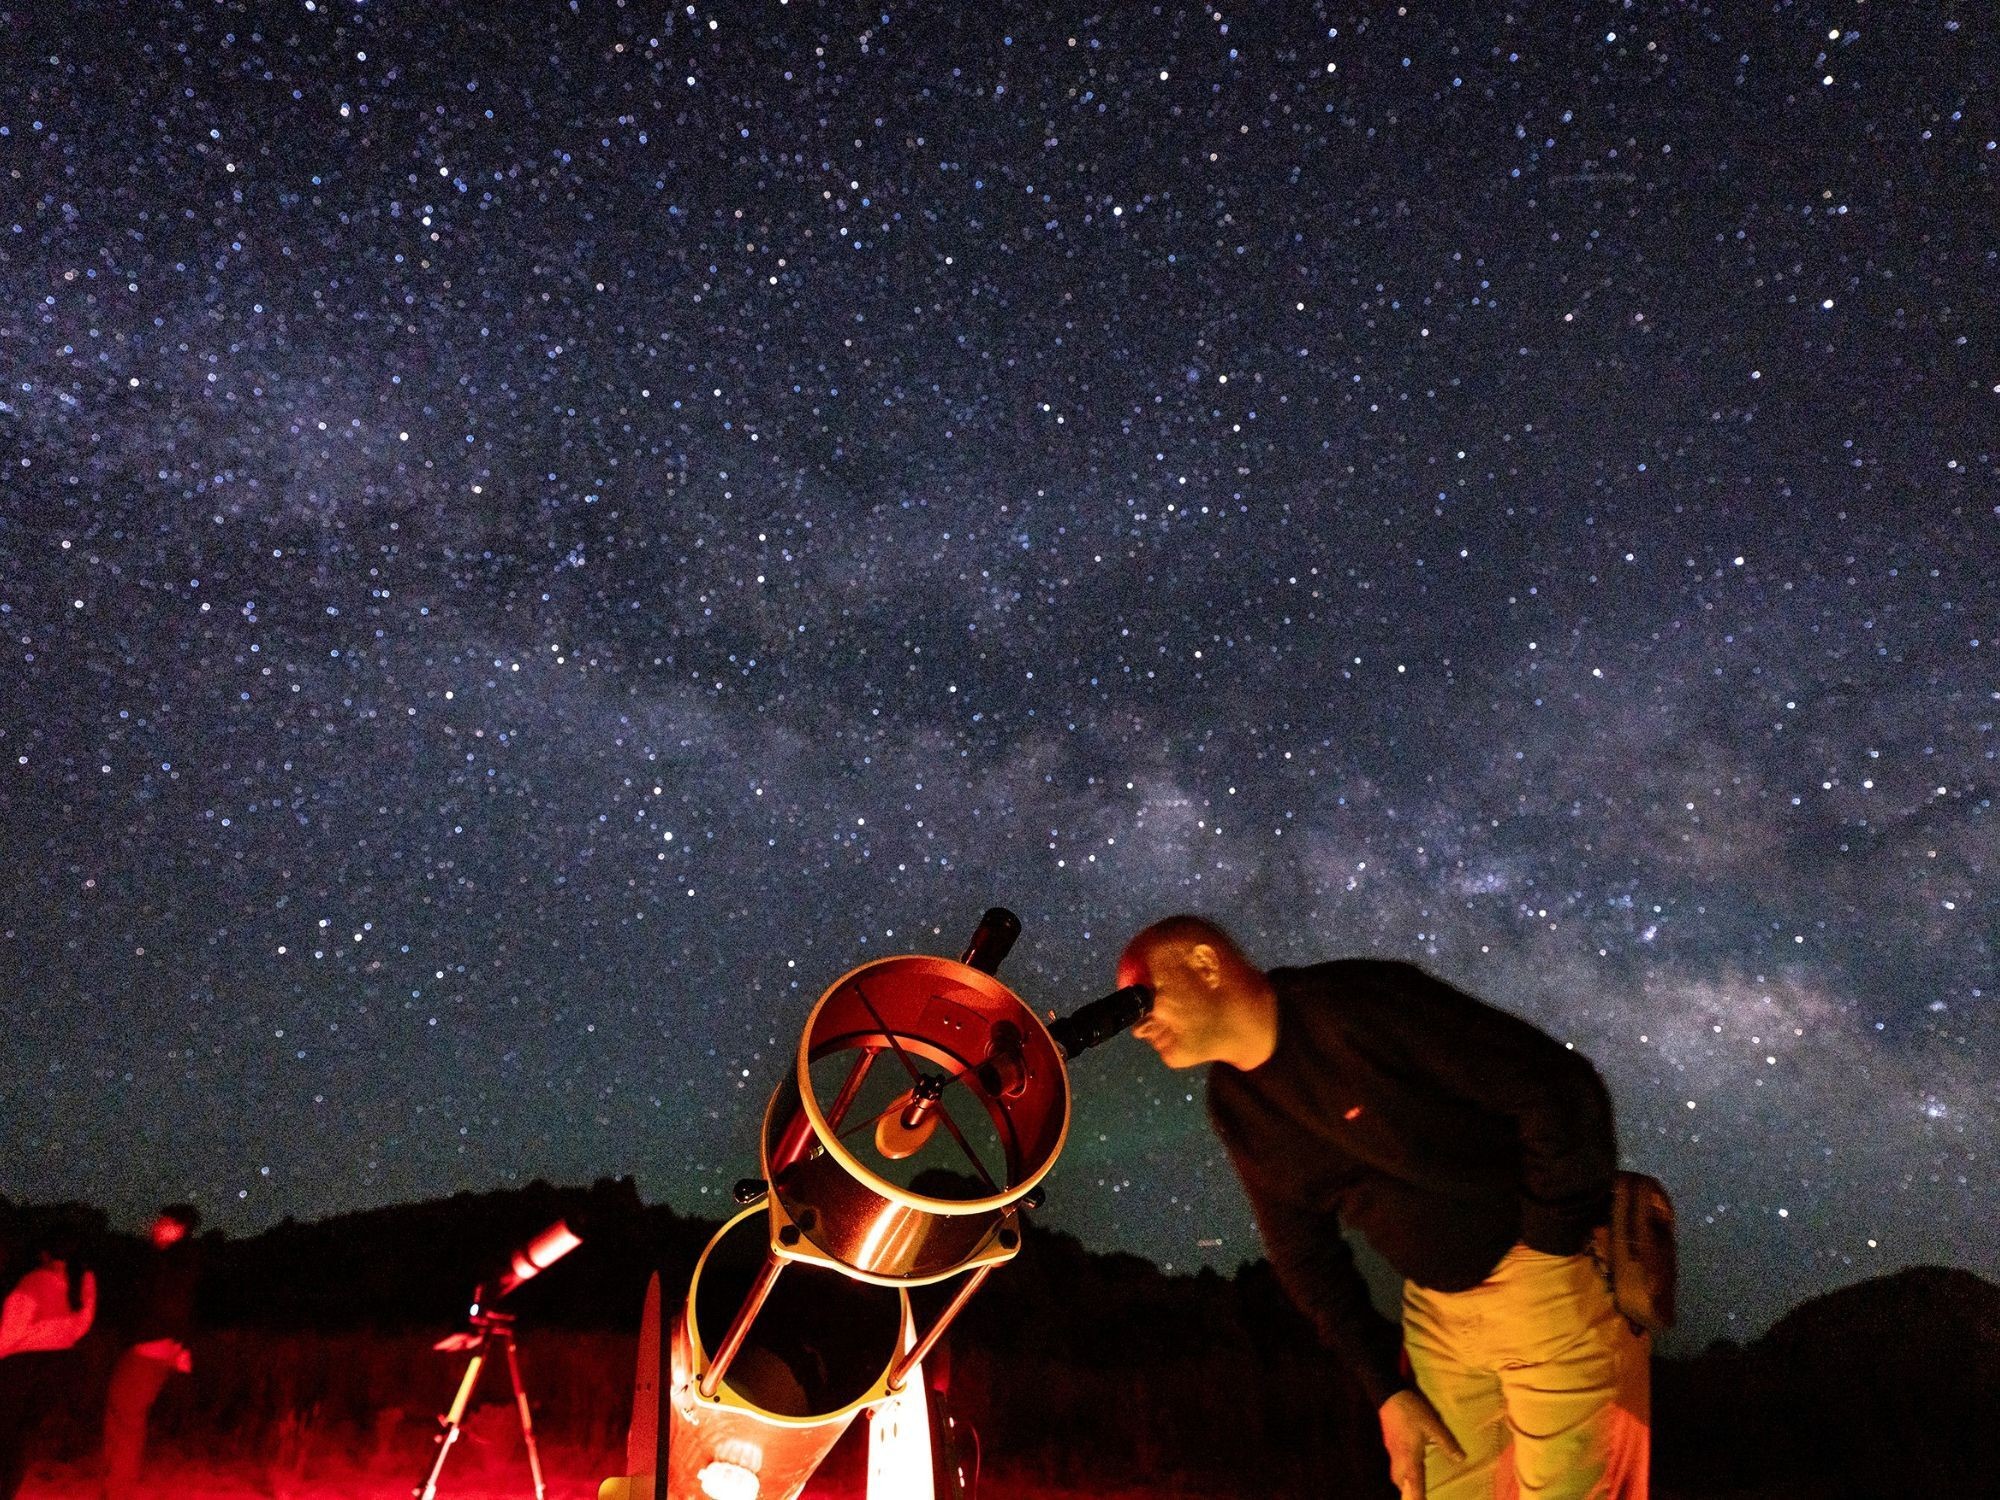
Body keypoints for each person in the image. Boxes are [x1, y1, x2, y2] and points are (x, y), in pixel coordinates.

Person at [1119, 915, 1648, 1500]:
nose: (1138, 1029)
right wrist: (1386, 1390)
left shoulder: (1356, 1007)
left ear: (1204, 964)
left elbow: (1557, 1087)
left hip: (1543, 1286)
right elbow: (1305, 1258)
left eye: (1143, 999)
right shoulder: (1238, 1105)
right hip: (1434, 1319)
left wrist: (1550, 1243)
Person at [100, 1204, 202, 1500]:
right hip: (158, 1351)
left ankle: (116, 1490)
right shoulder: (179, 1262)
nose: (156, 1225)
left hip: (147, 1351)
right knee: (127, 1419)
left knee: (125, 1420)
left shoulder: (171, 1264)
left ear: (179, 1228)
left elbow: (167, 1308)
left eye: (164, 1221)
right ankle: (117, 1486)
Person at [0, 1207, 100, 1500]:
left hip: (21, 1368)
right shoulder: (85, 1282)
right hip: (59, 1365)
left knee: (5, 1439)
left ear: (44, 1252)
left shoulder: (35, 1281)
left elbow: (8, 1332)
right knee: (21, 1442)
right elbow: (82, 1326)